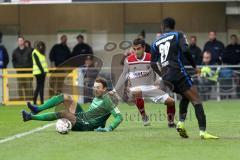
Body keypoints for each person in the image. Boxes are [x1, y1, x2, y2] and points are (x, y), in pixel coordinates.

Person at [151, 17, 218, 139]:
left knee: (186, 96)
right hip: (178, 72)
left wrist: (162, 76)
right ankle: (203, 132)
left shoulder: (155, 42)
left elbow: (153, 63)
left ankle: (181, 123)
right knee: (197, 100)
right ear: (173, 26)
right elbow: (186, 49)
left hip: (166, 76)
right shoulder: (178, 34)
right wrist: (195, 66)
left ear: (163, 26)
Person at [113, 38, 176, 127]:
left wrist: (159, 81)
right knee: (137, 91)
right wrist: (115, 90)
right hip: (135, 87)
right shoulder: (128, 60)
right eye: (134, 49)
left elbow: (159, 72)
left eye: (138, 49)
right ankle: (144, 116)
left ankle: (171, 123)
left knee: (171, 102)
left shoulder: (151, 58)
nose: (136, 51)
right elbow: (124, 75)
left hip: (150, 87)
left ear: (144, 48)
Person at [21, 77, 123, 132]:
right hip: (84, 117)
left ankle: (30, 117)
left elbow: (119, 117)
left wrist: (109, 128)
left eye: (98, 87)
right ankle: (38, 108)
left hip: (88, 125)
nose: (95, 89)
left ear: (104, 89)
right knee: (66, 97)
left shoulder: (108, 101)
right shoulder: (99, 96)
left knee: (63, 113)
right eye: (94, 87)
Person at [12, 36, 33, 101]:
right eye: (19, 40)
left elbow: (32, 60)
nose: (20, 42)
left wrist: (27, 67)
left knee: (28, 86)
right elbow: (13, 61)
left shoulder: (29, 50)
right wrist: (17, 67)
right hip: (19, 72)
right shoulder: (15, 51)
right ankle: (21, 100)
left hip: (28, 71)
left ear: (24, 41)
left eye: (21, 40)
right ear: (17, 42)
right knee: (20, 86)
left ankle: (29, 101)